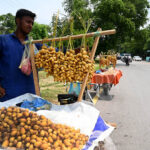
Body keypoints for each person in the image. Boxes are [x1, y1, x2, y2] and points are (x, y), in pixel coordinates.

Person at [0, 9, 41, 102]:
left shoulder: (34, 44)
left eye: (32, 23)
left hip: (31, 97)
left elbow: (55, 52)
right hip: (8, 97)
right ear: (18, 21)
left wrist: (76, 50)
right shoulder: (3, 40)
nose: (30, 25)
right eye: (28, 22)